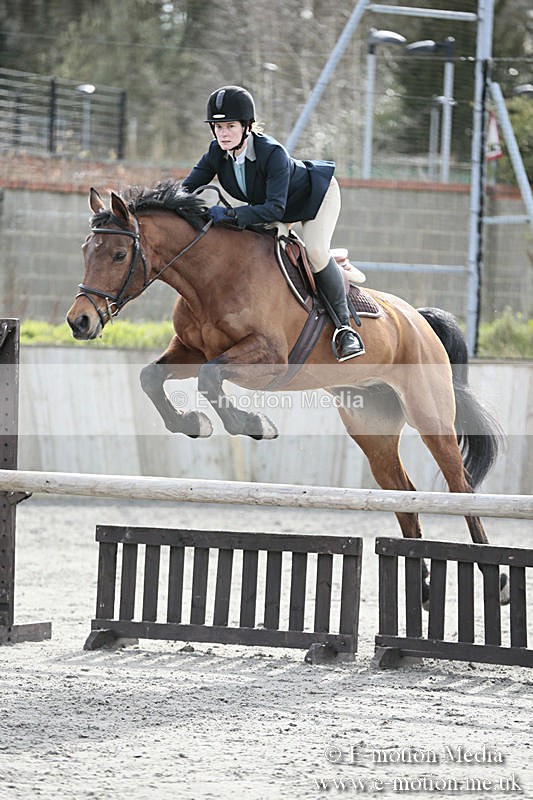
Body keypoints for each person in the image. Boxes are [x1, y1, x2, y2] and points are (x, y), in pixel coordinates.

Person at [181, 85, 365, 361]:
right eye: (217, 128)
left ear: (247, 126)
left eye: (230, 126)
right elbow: (186, 189)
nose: (223, 133)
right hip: (273, 208)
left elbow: (274, 208)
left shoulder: (272, 153)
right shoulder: (216, 153)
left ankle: (344, 330)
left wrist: (231, 215)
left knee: (314, 252)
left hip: (315, 197)